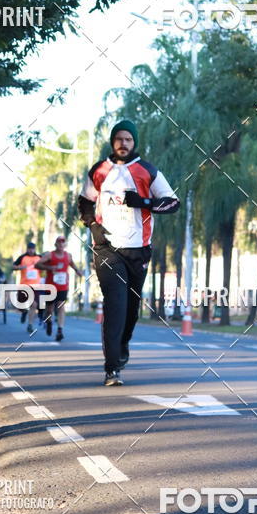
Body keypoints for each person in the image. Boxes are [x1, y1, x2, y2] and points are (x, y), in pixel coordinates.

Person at [78, 119, 179, 385]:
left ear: (134, 142)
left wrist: (144, 202)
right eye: (119, 139)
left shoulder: (146, 170)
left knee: (131, 311)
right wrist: (93, 227)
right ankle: (112, 368)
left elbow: (172, 203)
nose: (123, 143)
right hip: (107, 249)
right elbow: (85, 202)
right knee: (115, 305)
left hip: (138, 251)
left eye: (128, 139)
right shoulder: (99, 170)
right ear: (112, 142)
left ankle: (121, 348)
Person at [35, 235, 82, 341]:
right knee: (49, 309)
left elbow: (72, 264)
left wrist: (77, 271)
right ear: (55, 244)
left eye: (63, 242)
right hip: (50, 287)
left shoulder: (68, 256)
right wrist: (49, 267)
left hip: (63, 286)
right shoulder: (50, 255)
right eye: (59, 242)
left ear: (65, 245)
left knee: (61, 306)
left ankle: (60, 330)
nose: (61, 244)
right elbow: (37, 265)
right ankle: (49, 322)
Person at [12, 242, 42, 332]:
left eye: (32, 249)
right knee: (20, 305)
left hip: (35, 286)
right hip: (24, 285)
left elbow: (46, 265)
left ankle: (30, 324)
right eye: (29, 249)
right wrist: (19, 268)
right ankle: (24, 312)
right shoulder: (22, 257)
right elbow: (13, 266)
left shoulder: (39, 257)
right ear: (27, 249)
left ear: (35, 249)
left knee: (34, 304)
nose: (31, 250)